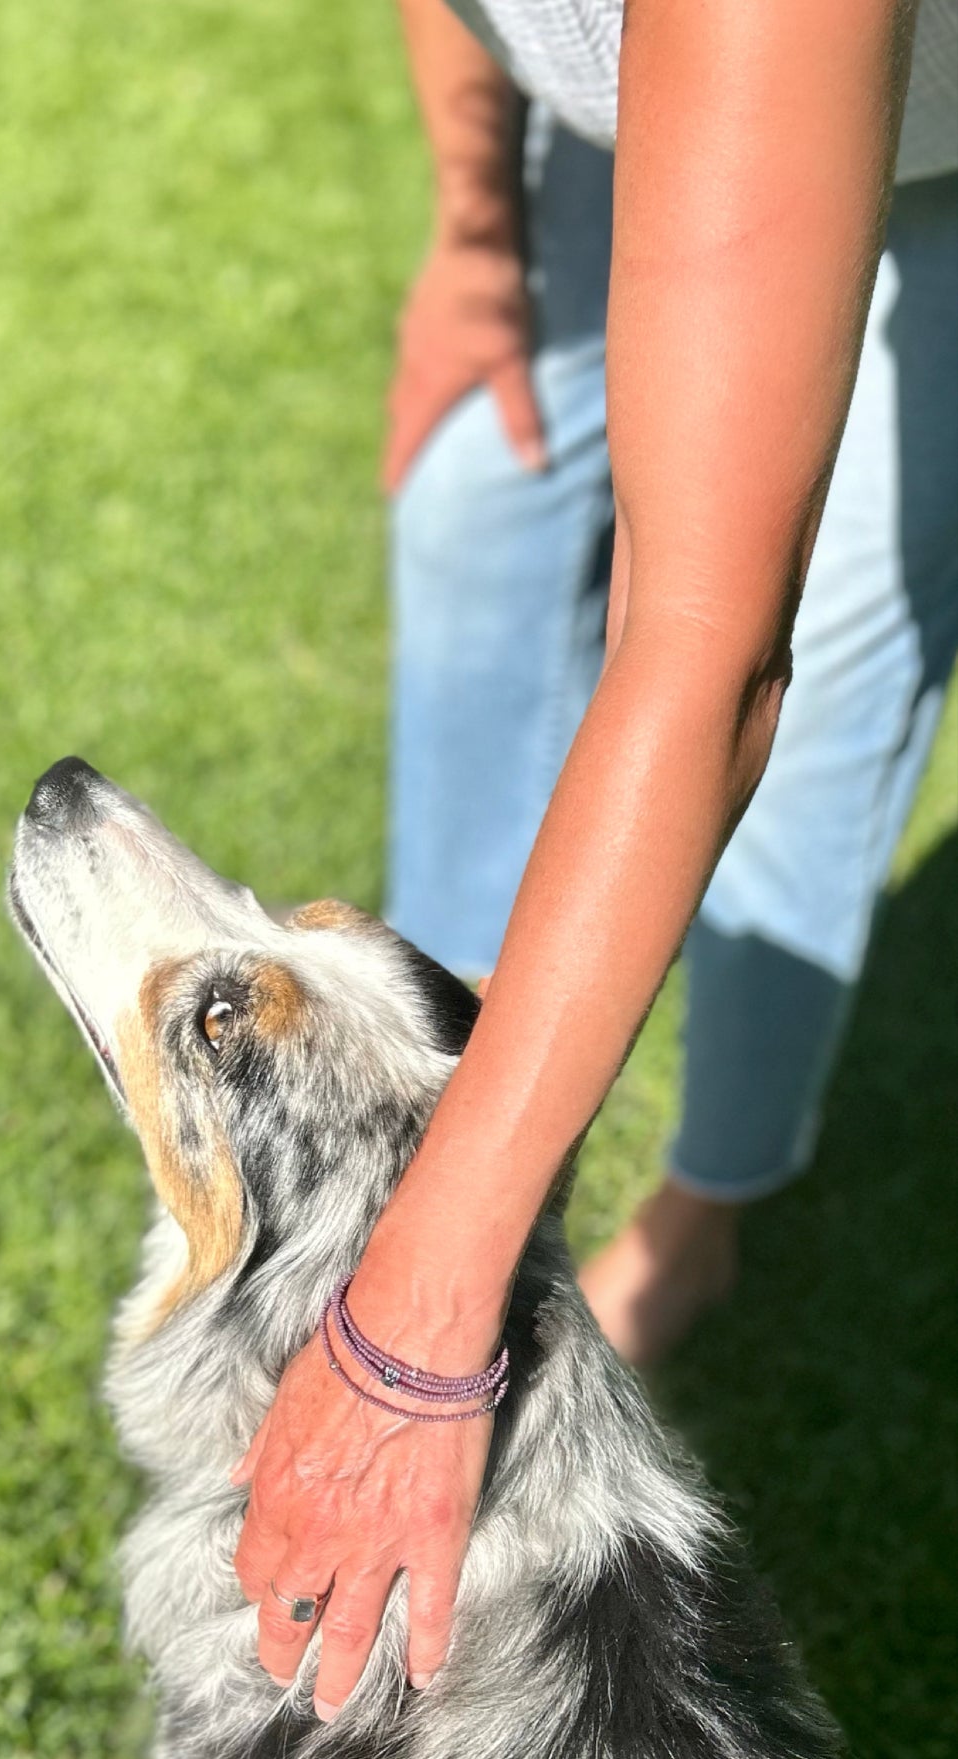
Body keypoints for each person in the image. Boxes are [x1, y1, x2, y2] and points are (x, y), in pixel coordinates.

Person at [231, 0, 958, 1728]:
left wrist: (410, 1344)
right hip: (638, 76)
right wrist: (478, 240)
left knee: (827, 616)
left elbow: (709, 652)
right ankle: (447, 1120)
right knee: (477, 494)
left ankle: (699, 1210)